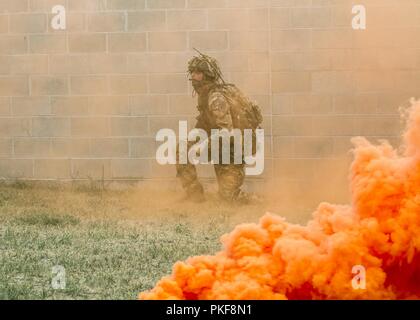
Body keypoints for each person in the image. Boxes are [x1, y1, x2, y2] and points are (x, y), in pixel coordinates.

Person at [176, 49, 263, 204]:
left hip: (232, 149)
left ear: (207, 75)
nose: (193, 77)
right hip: (221, 145)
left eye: (198, 73)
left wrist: (201, 146)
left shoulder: (216, 98)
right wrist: (191, 142)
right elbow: (204, 125)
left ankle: (253, 200)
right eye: (192, 73)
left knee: (228, 199)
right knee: (182, 148)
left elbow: (227, 133)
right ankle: (194, 195)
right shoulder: (205, 96)